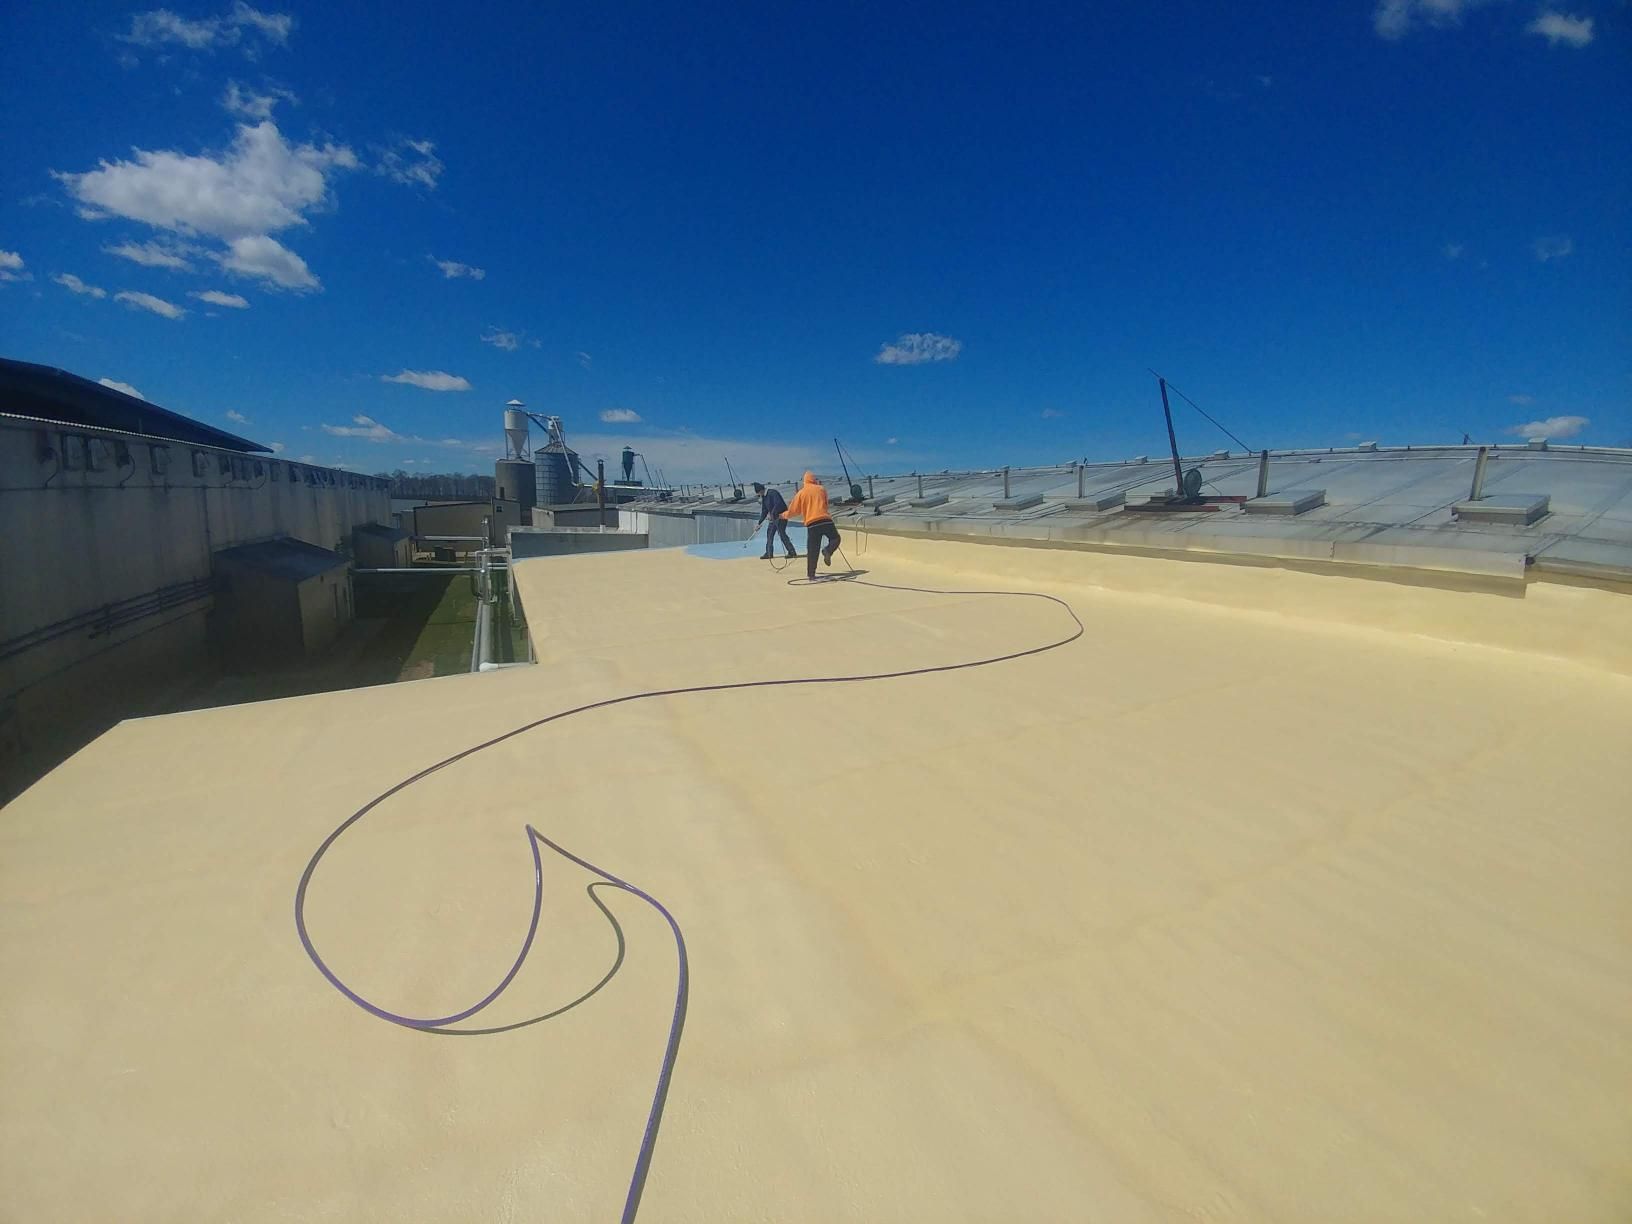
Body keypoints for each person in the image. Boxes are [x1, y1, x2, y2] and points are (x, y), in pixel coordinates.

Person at [780, 471, 840, 580]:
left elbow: (793, 511)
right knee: (835, 538)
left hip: (812, 524)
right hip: (826, 520)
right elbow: (826, 504)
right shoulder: (821, 489)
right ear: (814, 479)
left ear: (804, 481)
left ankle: (811, 574)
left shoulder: (801, 493)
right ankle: (828, 550)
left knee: (813, 549)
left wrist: (783, 516)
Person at [753, 482, 797, 559]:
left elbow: (779, 504)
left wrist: (772, 513)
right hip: (773, 518)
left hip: (781, 516)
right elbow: (764, 511)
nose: (759, 495)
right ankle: (769, 553)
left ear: (761, 490)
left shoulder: (773, 493)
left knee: (782, 533)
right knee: (769, 533)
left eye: (759, 493)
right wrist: (759, 523)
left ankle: (792, 552)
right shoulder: (764, 497)